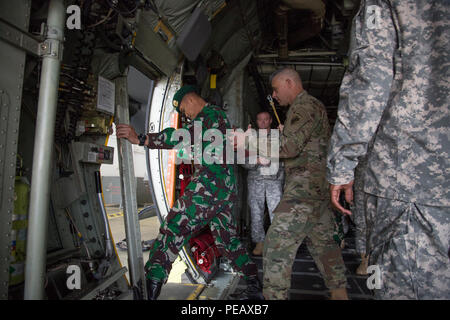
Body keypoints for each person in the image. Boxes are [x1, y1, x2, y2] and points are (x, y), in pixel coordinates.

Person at [326, 0, 450, 299]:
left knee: (404, 286)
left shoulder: (384, 5)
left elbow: (370, 81)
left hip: (409, 180)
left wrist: (342, 164)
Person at [116, 85, 263, 300]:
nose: (185, 115)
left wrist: (141, 138)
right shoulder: (220, 118)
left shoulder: (209, 115)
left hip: (209, 186)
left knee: (173, 228)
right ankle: (255, 289)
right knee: (228, 242)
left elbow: (179, 136)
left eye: (184, 110)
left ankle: (148, 293)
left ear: (189, 99)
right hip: (225, 190)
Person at [232, 68, 348, 300]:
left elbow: (288, 147)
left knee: (276, 246)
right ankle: (339, 293)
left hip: (303, 192)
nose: (274, 95)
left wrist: (249, 140)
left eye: (276, 89)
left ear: (289, 82)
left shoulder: (304, 107)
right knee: (325, 245)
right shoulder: (311, 107)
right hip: (316, 190)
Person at [242, 111, 284, 256]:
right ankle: (259, 242)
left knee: (277, 213)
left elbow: (290, 152)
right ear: (256, 121)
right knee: (256, 212)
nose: (263, 122)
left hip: (274, 180)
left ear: (271, 120)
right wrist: (257, 160)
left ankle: (277, 244)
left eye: (266, 119)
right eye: (260, 119)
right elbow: (243, 161)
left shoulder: (279, 136)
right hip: (256, 181)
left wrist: (286, 135)